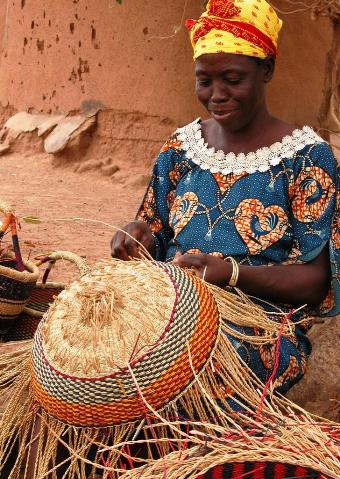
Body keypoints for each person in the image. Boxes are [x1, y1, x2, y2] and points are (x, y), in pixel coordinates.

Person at [111, 0, 339, 395]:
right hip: (170, 308)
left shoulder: (306, 158)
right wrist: (138, 237)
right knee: (95, 346)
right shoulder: (180, 149)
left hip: (256, 325)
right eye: (205, 80)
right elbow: (157, 234)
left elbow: (315, 281)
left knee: (186, 366)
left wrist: (231, 274)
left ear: (266, 69)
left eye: (232, 78)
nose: (216, 94)